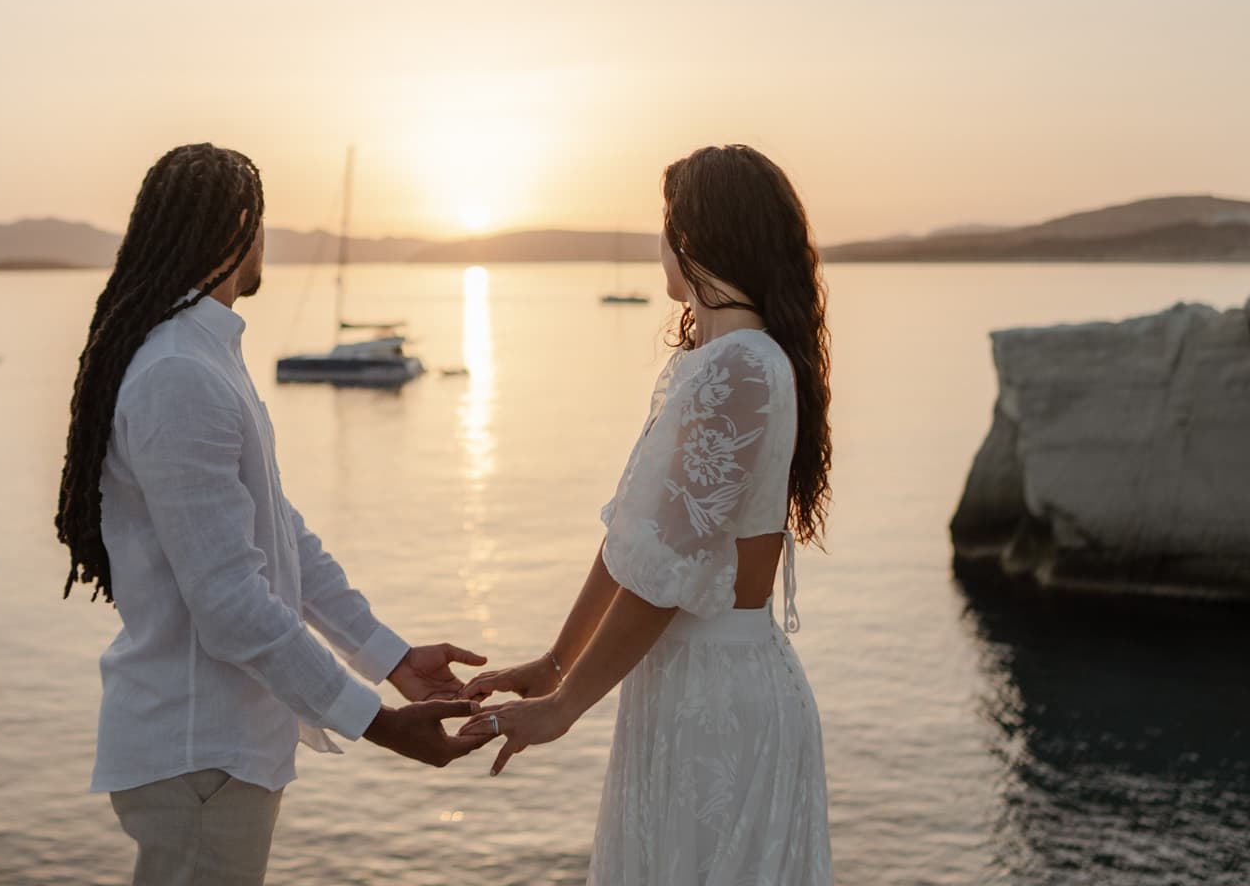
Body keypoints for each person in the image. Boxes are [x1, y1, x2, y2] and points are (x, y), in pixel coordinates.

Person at [54, 142, 493, 885]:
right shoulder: (179, 373)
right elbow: (229, 605)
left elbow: (279, 534)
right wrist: (376, 722)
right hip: (199, 754)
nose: (268, 245)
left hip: (219, 755)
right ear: (238, 229)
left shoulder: (205, 357)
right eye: (262, 225)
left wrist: (388, 658)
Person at [469, 144, 835, 884]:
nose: (658, 245)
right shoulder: (719, 361)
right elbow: (634, 544)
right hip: (686, 684)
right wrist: (554, 662)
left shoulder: (740, 368)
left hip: (717, 697)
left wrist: (567, 705)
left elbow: (670, 575)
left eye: (665, 224)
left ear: (696, 237)